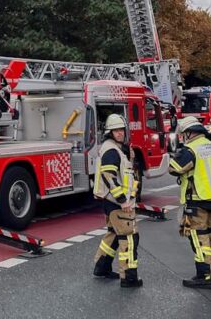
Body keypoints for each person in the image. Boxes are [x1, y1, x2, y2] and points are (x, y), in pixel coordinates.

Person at [169, 116, 211, 289]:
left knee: (198, 237)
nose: (183, 137)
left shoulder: (190, 150)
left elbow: (174, 168)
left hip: (197, 200)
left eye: (184, 134)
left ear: (189, 132)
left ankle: (204, 276)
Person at [92, 113, 143, 288]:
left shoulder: (115, 148)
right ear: (110, 133)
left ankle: (101, 267)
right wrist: (122, 200)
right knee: (129, 238)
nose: (120, 133)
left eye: (121, 130)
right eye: (116, 131)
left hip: (112, 201)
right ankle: (128, 278)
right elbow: (109, 176)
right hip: (117, 203)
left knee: (113, 234)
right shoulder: (112, 151)